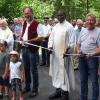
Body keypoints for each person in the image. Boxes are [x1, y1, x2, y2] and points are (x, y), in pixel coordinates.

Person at [48, 10, 75, 100]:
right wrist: (50, 46)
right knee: (56, 73)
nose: (60, 17)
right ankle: (58, 91)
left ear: (65, 15)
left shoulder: (69, 27)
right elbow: (51, 38)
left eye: (62, 15)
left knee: (64, 75)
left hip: (64, 56)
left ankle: (65, 94)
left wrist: (68, 49)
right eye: (58, 15)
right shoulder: (55, 26)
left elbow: (72, 42)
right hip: (55, 55)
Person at [21, 6, 43, 98]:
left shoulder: (38, 24)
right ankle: (27, 87)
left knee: (33, 70)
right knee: (26, 69)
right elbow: (23, 34)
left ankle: (35, 89)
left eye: (28, 13)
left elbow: (41, 37)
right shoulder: (24, 23)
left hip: (32, 50)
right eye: (25, 13)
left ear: (32, 13)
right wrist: (21, 38)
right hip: (24, 49)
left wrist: (30, 41)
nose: (26, 15)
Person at [77, 13, 100, 100]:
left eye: (91, 20)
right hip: (82, 58)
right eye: (88, 20)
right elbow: (78, 44)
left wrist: (93, 54)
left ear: (95, 21)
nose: (89, 22)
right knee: (83, 80)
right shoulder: (83, 30)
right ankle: (83, 98)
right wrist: (78, 51)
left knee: (94, 81)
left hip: (92, 59)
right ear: (85, 21)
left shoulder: (98, 31)